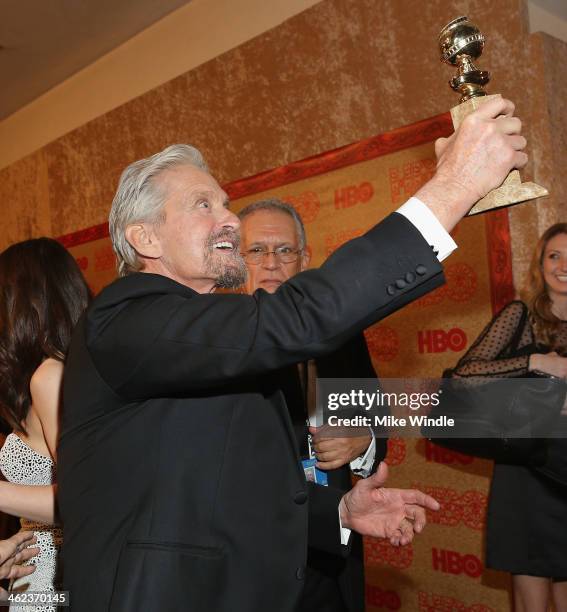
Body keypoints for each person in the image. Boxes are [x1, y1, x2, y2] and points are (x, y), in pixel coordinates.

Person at [57, 96, 527, 611]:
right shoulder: (125, 318)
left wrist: (339, 512)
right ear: (144, 236)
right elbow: (299, 319)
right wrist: (454, 187)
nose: (230, 221)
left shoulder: (201, 340)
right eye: (203, 205)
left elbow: (225, 489)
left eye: (225, 203)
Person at [239, 198, 384, 611]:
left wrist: (364, 441)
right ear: (235, 259)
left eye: (284, 250)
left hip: (333, 558)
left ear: (304, 259)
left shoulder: (343, 334)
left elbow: (378, 424)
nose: (271, 262)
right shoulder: (214, 343)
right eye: (256, 250)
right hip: (253, 563)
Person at [448, 223, 567, 612]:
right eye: (555, 255)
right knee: (532, 593)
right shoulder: (521, 314)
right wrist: (536, 361)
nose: (563, 265)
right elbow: (466, 374)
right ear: (541, 263)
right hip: (527, 472)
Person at [0, 238, 91, 610]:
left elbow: (81, 496)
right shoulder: (50, 375)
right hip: (34, 571)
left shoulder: (50, 376)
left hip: (53, 575)